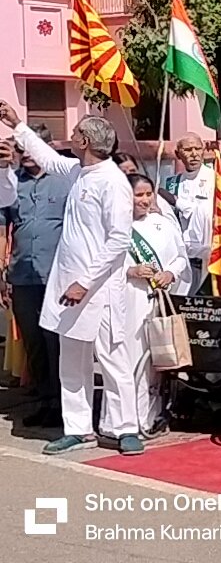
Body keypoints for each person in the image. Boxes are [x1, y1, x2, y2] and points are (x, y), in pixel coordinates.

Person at [0, 105, 140, 456]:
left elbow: (118, 240)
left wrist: (86, 282)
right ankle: (78, 428)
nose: (71, 137)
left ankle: (125, 429)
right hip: (68, 287)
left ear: (88, 141)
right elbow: (46, 157)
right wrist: (18, 126)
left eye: (76, 133)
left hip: (100, 288)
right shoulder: (79, 171)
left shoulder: (112, 182)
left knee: (112, 358)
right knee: (71, 360)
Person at [0, 126, 72, 428]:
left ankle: (64, 405)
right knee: (34, 345)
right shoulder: (13, 184)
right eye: (21, 147)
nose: (27, 152)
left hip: (57, 279)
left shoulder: (65, 182)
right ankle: (44, 401)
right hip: (23, 278)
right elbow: (3, 229)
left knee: (56, 343)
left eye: (33, 146)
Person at [113, 173, 190, 439]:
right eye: (139, 195)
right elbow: (103, 263)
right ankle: (124, 421)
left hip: (157, 301)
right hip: (128, 300)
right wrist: (131, 270)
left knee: (156, 360)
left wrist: (170, 273)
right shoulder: (115, 226)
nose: (145, 200)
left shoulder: (163, 224)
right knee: (128, 359)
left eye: (148, 194)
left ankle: (152, 415)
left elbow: (180, 258)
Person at [164, 134, 214, 294]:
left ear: (204, 150)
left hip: (209, 256)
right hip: (183, 256)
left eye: (197, 148)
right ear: (178, 154)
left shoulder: (215, 179)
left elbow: (207, 212)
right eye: (188, 150)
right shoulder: (172, 183)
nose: (194, 154)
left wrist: (178, 202)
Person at [112, 152, 178, 224]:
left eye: (132, 170)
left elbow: (173, 227)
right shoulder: (110, 199)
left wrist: (160, 214)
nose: (129, 174)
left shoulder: (154, 197)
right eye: (123, 172)